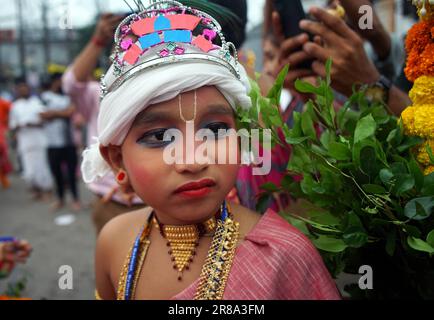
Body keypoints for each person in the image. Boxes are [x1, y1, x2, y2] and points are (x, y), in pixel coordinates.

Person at [90, 1, 340, 300]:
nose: (193, 160)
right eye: (160, 136)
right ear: (117, 159)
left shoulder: (285, 254)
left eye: (216, 130)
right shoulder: (113, 241)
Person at [62, 14, 144, 234]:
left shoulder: (164, 93)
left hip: (159, 203)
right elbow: (72, 84)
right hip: (112, 202)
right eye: (125, 45)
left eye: (142, 42)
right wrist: (97, 40)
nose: (132, 51)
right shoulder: (97, 94)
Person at [40, 73, 81, 211]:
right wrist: (61, 113)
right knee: (56, 173)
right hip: (52, 143)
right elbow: (43, 115)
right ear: (53, 82)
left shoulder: (68, 97)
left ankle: (75, 199)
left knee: (71, 173)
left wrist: (54, 114)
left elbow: (71, 112)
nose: (60, 84)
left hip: (69, 141)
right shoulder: (44, 97)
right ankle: (60, 199)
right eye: (58, 81)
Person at [9, 79, 52, 199]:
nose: (23, 91)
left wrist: (32, 124)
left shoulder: (36, 102)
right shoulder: (15, 106)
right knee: (30, 170)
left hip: (39, 140)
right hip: (25, 142)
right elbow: (12, 125)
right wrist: (20, 126)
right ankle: (36, 190)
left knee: (42, 167)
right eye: (20, 89)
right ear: (17, 91)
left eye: (25, 88)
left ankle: (47, 190)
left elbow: (45, 120)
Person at [0, 97, 12, 189]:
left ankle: (4, 179)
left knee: (3, 156)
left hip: (2, 132)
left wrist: (7, 122)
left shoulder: (3, 102)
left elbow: (13, 111)